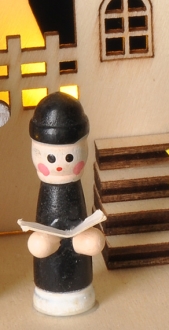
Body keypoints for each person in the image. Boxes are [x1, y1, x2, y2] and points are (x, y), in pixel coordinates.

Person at [28, 92, 104, 316]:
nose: (60, 166)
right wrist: (46, 240)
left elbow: (79, 223)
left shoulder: (74, 190)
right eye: (51, 158)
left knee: (92, 241)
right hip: (47, 283)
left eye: (69, 157)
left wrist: (82, 238)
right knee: (42, 246)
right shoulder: (48, 192)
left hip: (81, 282)